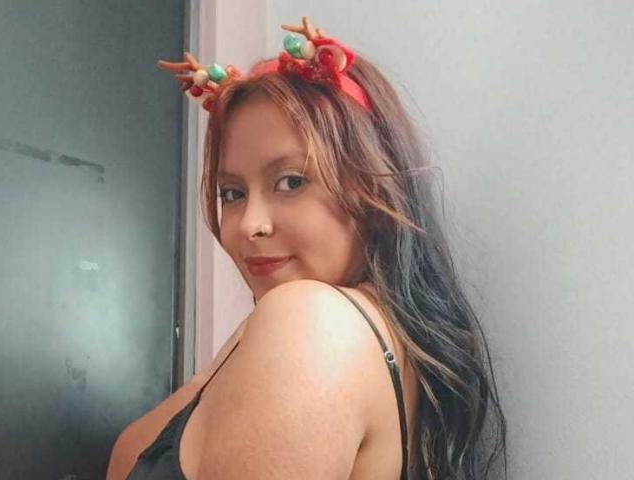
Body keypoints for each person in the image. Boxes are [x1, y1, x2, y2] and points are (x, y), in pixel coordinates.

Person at [107, 16, 507, 480]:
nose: (249, 225)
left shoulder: (314, 321)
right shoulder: (298, 326)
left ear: (372, 190)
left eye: (291, 182)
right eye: (232, 193)